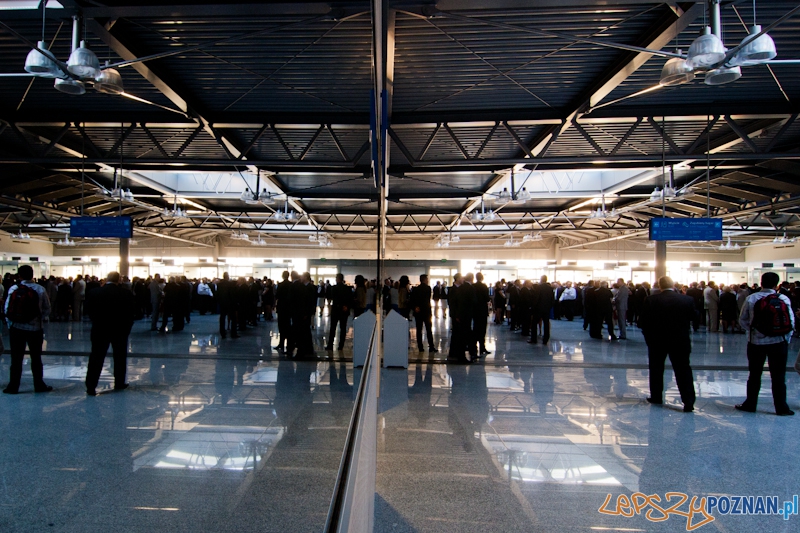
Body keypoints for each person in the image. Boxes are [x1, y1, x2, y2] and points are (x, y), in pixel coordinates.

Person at [736, 272, 795, 416]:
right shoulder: (783, 298)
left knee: (755, 374)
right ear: (777, 284)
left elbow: (742, 320)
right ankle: (781, 408)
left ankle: (750, 404)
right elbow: (791, 322)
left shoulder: (752, 298)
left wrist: (754, 331)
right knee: (779, 376)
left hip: (756, 343)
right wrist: (785, 339)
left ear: (761, 283)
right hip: (779, 342)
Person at [639, 276, 696, 412]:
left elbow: (642, 322)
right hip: (680, 340)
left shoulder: (651, 300)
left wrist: (649, 338)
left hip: (657, 340)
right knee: (683, 369)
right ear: (673, 285)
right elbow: (694, 317)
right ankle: (688, 401)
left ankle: (656, 396)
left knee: (656, 368)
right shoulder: (686, 300)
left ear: (660, 286)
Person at [3, 265, 52, 394]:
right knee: (36, 357)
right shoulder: (40, 289)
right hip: (35, 329)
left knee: (16, 358)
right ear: (32, 274)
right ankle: (39, 384)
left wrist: (11, 324)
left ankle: (13, 386)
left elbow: (7, 309)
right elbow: (47, 309)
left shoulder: (14, 288)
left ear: (19, 276)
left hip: (16, 328)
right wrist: (37, 318)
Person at [84, 272, 135, 396]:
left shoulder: (95, 292)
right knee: (119, 356)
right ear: (119, 280)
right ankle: (119, 382)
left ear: (107, 279)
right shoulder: (125, 293)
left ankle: (91, 385)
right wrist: (127, 328)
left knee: (96, 356)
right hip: (119, 329)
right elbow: (131, 313)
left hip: (99, 329)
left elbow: (88, 310)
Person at [326, 274, 352, 351]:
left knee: (333, 328)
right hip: (344, 311)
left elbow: (333, 298)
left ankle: (330, 345)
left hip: (336, 310)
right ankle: (341, 346)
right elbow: (350, 299)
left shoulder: (334, 288)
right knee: (343, 328)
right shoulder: (347, 289)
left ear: (337, 279)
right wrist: (346, 306)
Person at [411, 274, 436, 353]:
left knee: (419, 330)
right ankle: (431, 346)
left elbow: (413, 299)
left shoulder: (415, 289)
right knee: (429, 329)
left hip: (418, 312)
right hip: (426, 312)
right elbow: (427, 300)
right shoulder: (428, 288)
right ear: (425, 280)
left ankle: (420, 347)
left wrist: (416, 307)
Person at [472, 272, 490, 355]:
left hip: (475, 310)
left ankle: (474, 346)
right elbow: (487, 298)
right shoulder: (484, 286)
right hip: (482, 310)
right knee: (482, 329)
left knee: (475, 328)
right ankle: (482, 347)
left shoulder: (473, 286)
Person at [275, 271, 292, 351]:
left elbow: (277, 296)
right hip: (288, 307)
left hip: (281, 307)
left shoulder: (281, 285)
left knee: (281, 326)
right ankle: (289, 344)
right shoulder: (291, 285)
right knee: (288, 326)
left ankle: (281, 343)